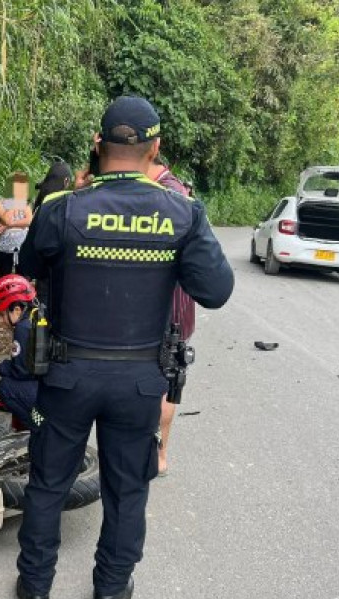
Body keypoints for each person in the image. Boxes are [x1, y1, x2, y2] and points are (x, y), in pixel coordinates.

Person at [14, 96, 234, 599]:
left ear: (97, 145)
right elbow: (216, 290)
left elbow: (27, 266)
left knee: (47, 485)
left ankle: (36, 591)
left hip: (66, 375)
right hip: (139, 381)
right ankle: (110, 592)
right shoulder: (183, 211)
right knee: (127, 488)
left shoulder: (61, 208)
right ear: (156, 149)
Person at [146, 155, 197, 476]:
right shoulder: (181, 196)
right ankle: (158, 454)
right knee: (165, 379)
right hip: (179, 306)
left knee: (164, 382)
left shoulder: (164, 197)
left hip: (166, 306)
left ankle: (159, 453)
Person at [0, 275, 39, 430]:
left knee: (5, 387)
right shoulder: (38, 314)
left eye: (3, 315)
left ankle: (39, 424)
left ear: (17, 309)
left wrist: (4, 367)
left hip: (47, 390)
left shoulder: (23, 328)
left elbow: (21, 371)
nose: (2, 320)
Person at [0, 172, 33, 277]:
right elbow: (6, 219)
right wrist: (15, 203)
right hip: (4, 248)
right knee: (3, 279)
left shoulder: (26, 204)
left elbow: (28, 221)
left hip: (23, 247)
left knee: (24, 279)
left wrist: (7, 226)